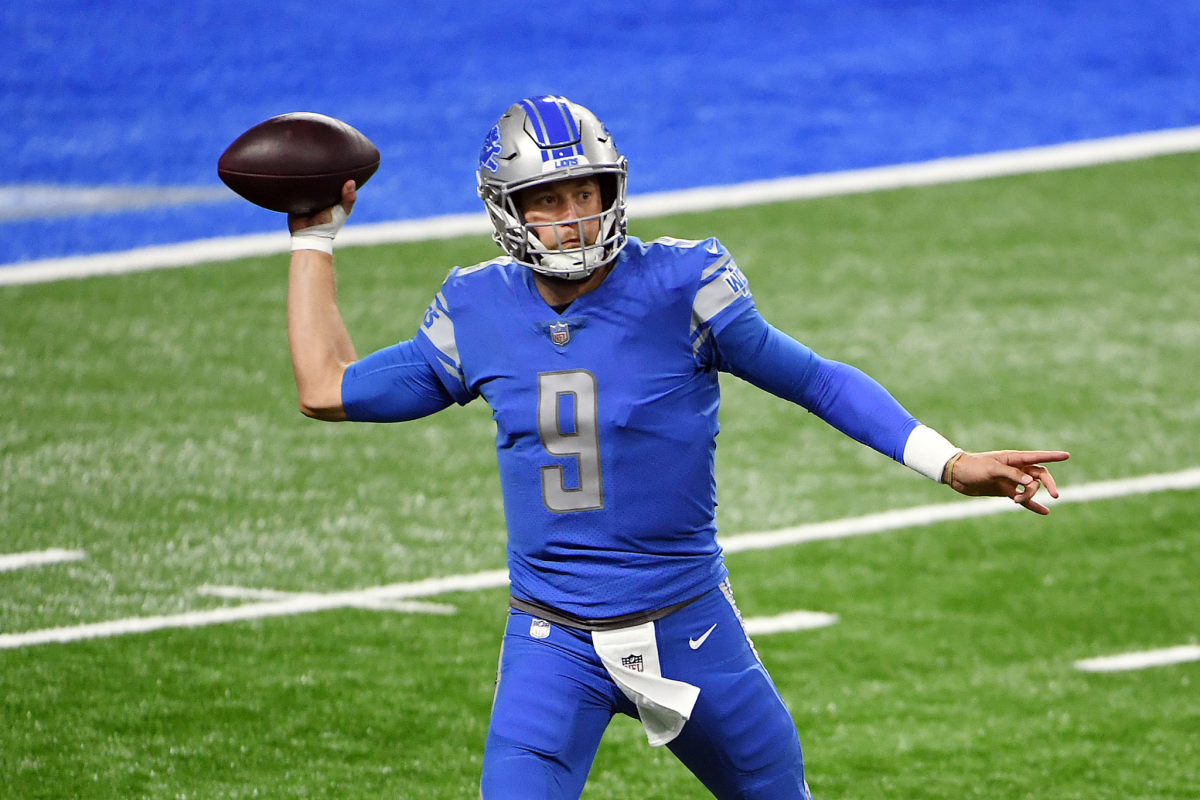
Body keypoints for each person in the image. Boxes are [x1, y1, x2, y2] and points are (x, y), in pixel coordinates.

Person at [285, 96, 1069, 800]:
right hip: (551, 638)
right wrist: (314, 239)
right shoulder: (475, 306)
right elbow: (327, 387)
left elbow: (818, 381)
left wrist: (949, 460)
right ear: (508, 211)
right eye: (548, 199)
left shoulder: (684, 285)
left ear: (612, 192)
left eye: (585, 193)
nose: (574, 218)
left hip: (686, 626)